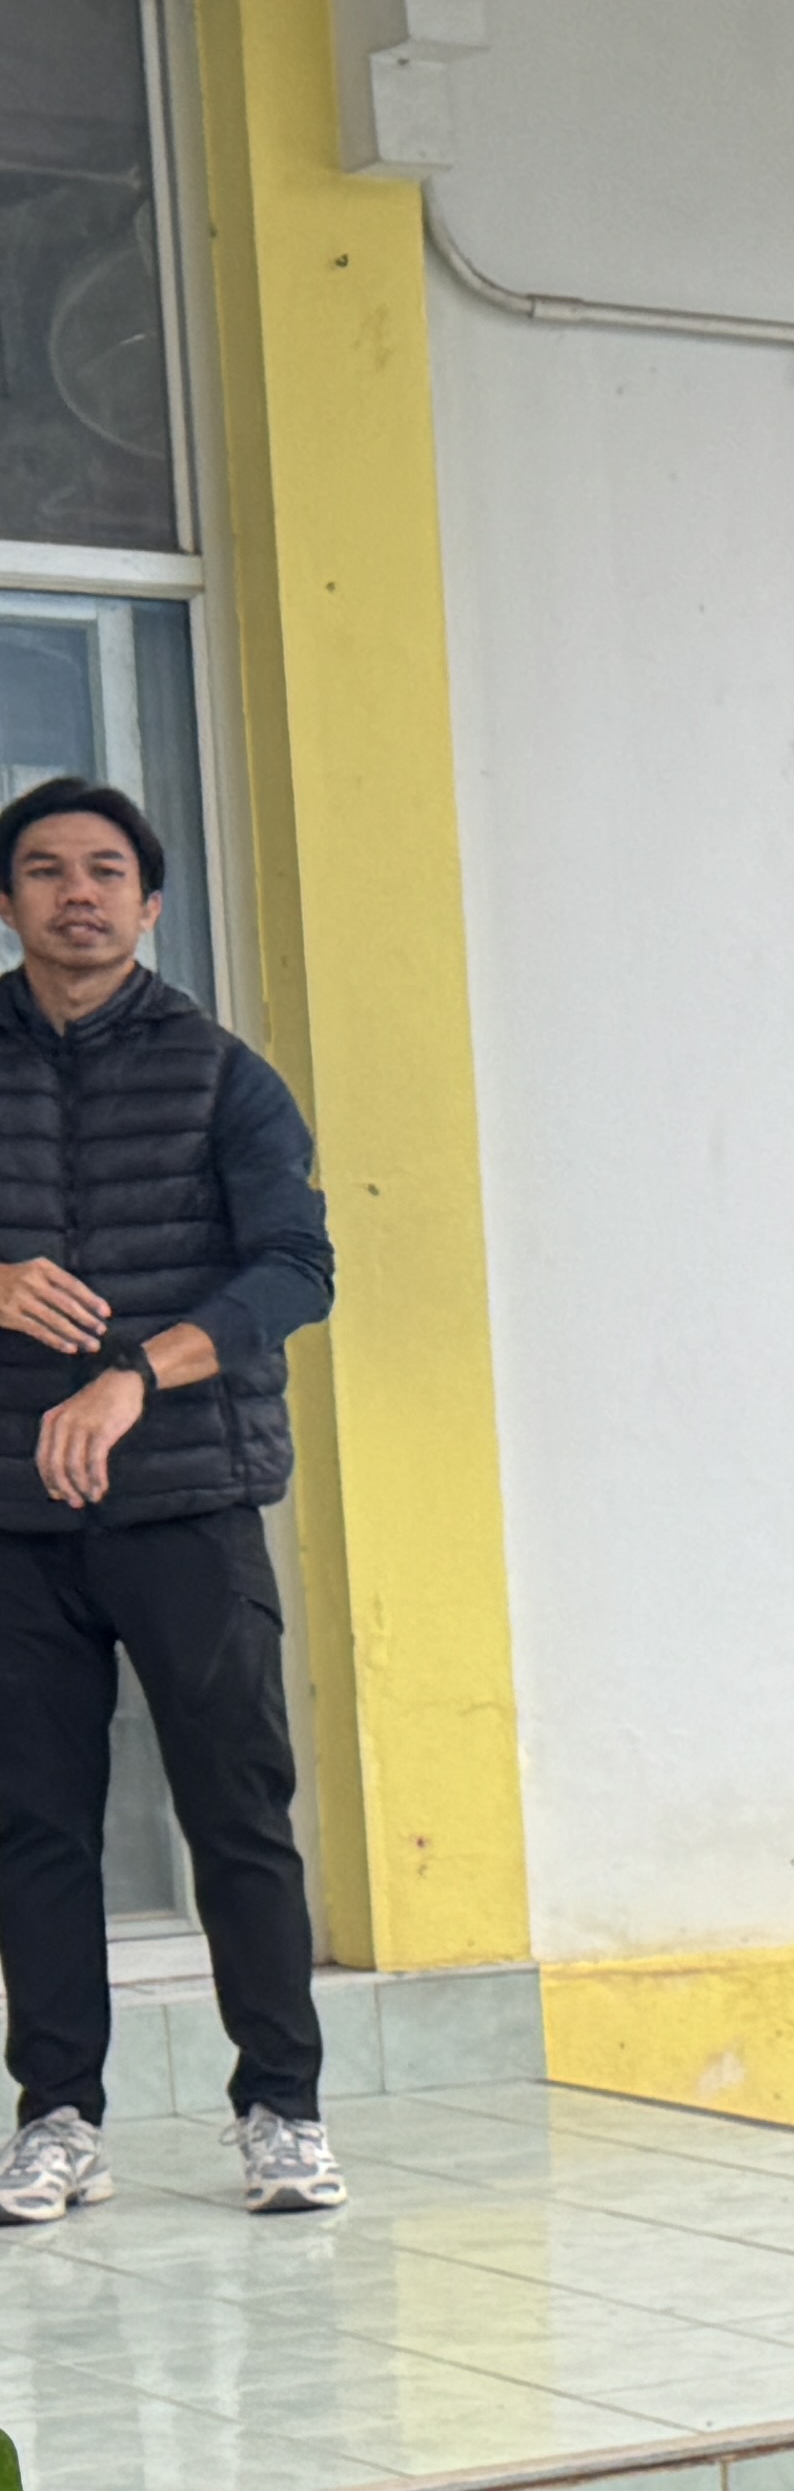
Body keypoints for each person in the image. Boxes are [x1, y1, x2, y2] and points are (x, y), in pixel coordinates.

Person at [0, 776, 338, 2229]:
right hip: (15, 1519)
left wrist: (136, 1373)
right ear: (8, 902)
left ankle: (283, 2110)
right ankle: (58, 2119)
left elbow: (297, 1270)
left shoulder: (222, 1076)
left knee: (236, 1813)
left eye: (104, 871)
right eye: (44, 870)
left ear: (148, 903)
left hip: (190, 1503)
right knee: (33, 1826)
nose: (76, 893)